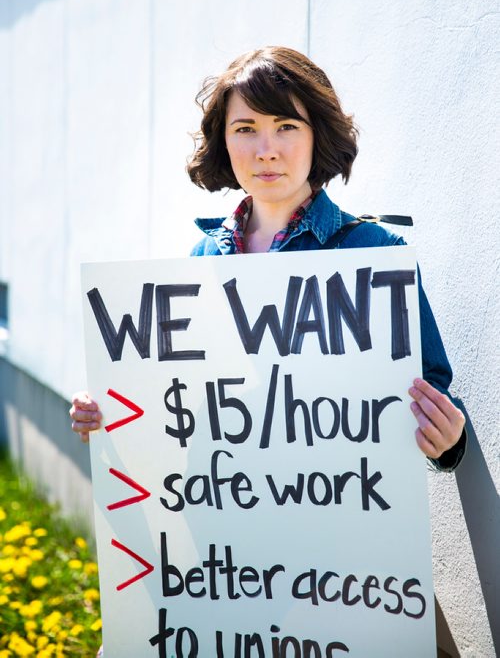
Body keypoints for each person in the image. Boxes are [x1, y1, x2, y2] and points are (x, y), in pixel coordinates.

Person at [70, 46, 466, 471]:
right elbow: (171, 400)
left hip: (338, 511)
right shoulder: (201, 259)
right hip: (226, 510)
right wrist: (112, 415)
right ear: (223, 139)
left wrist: (448, 440)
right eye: (245, 129)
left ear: (318, 134)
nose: (266, 149)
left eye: (286, 126)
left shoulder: (375, 254)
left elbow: (425, 395)